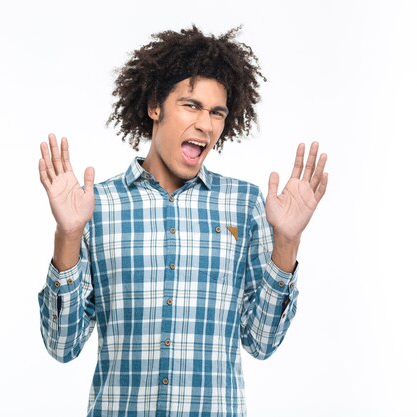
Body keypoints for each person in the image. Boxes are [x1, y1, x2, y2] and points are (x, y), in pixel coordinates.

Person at [37, 25, 328, 417]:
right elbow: (61, 346)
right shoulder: (95, 206)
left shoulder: (245, 205)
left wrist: (287, 243)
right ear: (155, 105)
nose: (206, 125)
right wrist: (68, 234)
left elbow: (262, 342)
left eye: (217, 113)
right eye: (191, 105)